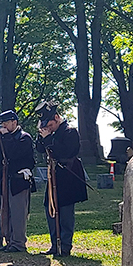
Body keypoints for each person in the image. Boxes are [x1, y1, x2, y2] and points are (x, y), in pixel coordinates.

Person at [34, 100, 88, 256]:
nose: (48, 128)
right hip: (54, 175)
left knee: (65, 212)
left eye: (49, 124)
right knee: (50, 208)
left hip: (67, 175)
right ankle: (54, 243)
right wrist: (41, 136)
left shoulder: (70, 132)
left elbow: (65, 152)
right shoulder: (50, 133)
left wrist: (49, 139)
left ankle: (65, 245)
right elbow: (40, 149)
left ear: (56, 118)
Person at [0, 109, 35, 253]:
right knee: (6, 212)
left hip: (19, 181)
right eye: (3, 123)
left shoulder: (24, 138)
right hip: (6, 180)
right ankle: (9, 240)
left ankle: (18, 243)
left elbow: (13, 155)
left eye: (7, 122)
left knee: (18, 213)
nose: (4, 126)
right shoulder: (2, 138)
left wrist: (5, 139)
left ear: (14, 122)